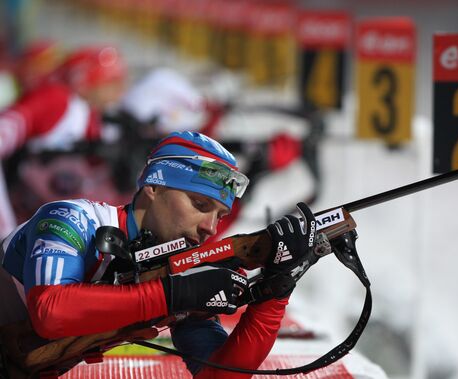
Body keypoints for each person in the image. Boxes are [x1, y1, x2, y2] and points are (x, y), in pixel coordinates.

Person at [0, 131, 317, 378]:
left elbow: (218, 375)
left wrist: (274, 292)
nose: (209, 227)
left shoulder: (173, 269)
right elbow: (49, 312)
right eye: (200, 205)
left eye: (219, 217)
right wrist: (174, 295)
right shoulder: (71, 218)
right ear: (154, 186)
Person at [0, 44, 127, 238]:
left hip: (75, 234)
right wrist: (5, 230)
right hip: (31, 235)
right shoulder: (58, 100)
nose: (119, 92)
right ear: (86, 81)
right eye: (111, 82)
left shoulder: (100, 119)